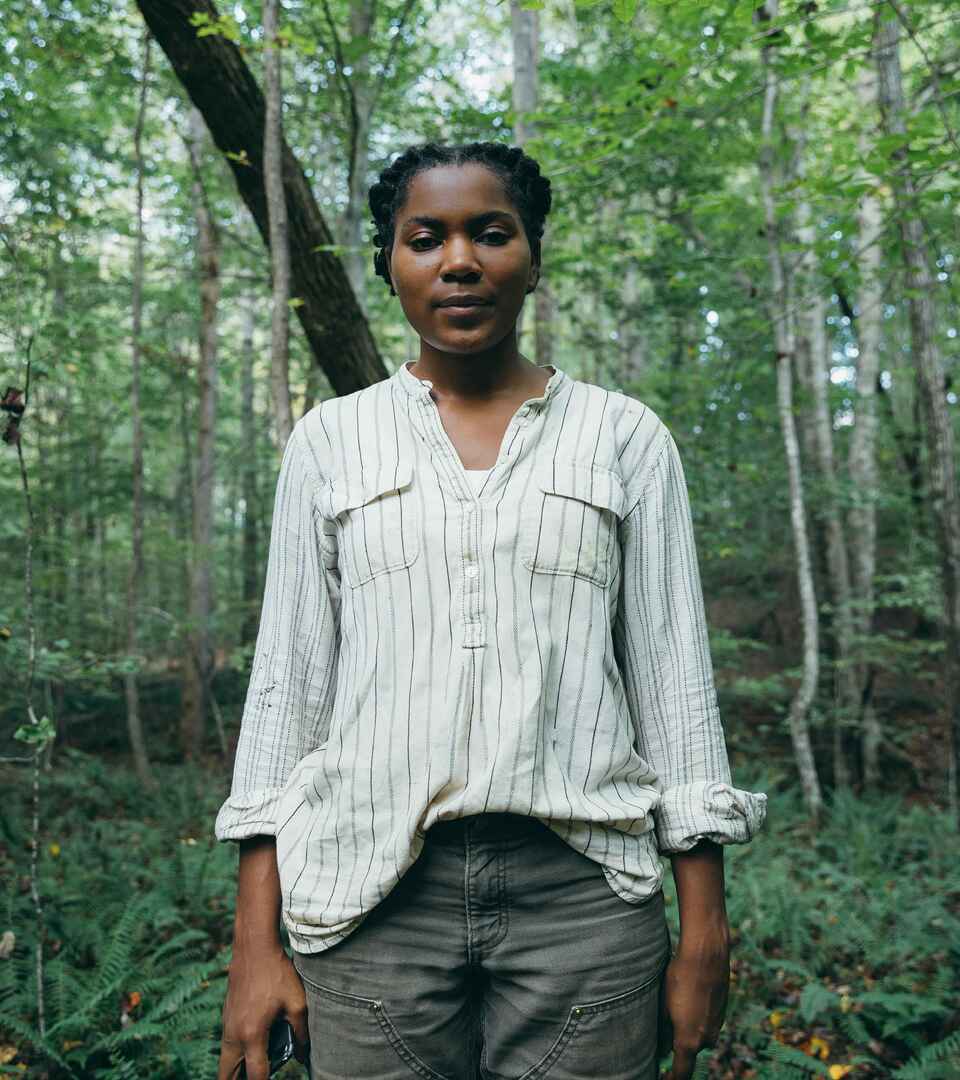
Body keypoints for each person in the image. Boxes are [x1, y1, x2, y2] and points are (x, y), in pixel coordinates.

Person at [214, 141, 767, 1080]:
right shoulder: (331, 442)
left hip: (586, 903)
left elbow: (675, 688)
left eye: (492, 233)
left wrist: (704, 932)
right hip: (365, 900)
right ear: (390, 264)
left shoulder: (624, 438)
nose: (460, 260)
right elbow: (286, 697)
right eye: (426, 238)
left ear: (533, 258)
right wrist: (253, 946)